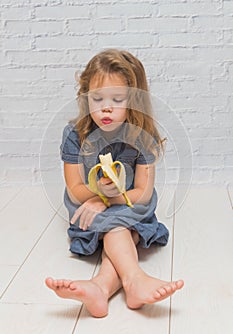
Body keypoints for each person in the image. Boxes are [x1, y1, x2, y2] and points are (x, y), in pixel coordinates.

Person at [45, 49, 184, 318]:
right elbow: (74, 189)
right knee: (120, 229)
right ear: (85, 99)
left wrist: (109, 199)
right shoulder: (75, 135)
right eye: (97, 99)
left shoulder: (142, 137)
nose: (105, 107)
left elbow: (142, 194)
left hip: (130, 205)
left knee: (120, 224)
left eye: (117, 99)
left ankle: (100, 287)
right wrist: (96, 195)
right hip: (88, 206)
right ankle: (133, 279)